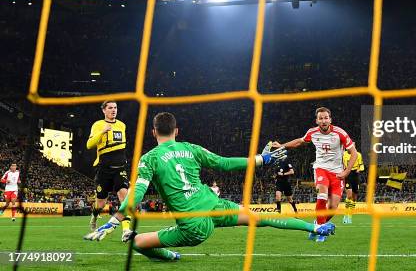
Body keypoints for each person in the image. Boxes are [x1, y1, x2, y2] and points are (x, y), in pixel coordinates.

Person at [84, 112, 335, 261]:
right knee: (259, 218)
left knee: (137, 243)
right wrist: (262, 159)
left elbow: (137, 194)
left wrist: (115, 220)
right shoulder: (191, 148)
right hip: (214, 206)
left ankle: (171, 255)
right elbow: (224, 163)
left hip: (192, 226)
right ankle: (315, 226)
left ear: (153, 133)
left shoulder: (149, 159)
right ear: (176, 131)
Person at [272, 107, 358, 242]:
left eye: (326, 118)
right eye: (321, 118)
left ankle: (316, 225)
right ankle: (320, 232)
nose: (323, 120)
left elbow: (354, 153)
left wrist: (346, 171)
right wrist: (282, 146)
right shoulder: (312, 133)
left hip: (337, 173)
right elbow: (299, 141)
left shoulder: (340, 133)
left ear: (330, 119)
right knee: (322, 196)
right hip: (321, 169)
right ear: (317, 121)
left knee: (333, 207)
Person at [87, 101, 131, 240]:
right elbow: (89, 145)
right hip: (104, 168)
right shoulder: (98, 125)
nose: (113, 110)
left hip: (120, 168)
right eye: (110, 108)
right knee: (101, 203)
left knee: (124, 198)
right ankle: (94, 216)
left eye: (115, 107)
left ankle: (126, 231)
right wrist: (102, 131)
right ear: (104, 111)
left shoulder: (122, 125)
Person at [342, 147, 364, 224]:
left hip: (356, 175)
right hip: (348, 173)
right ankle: (346, 214)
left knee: (354, 197)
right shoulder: (343, 154)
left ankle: (350, 215)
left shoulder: (358, 155)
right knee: (349, 195)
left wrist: (359, 169)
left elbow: (361, 165)